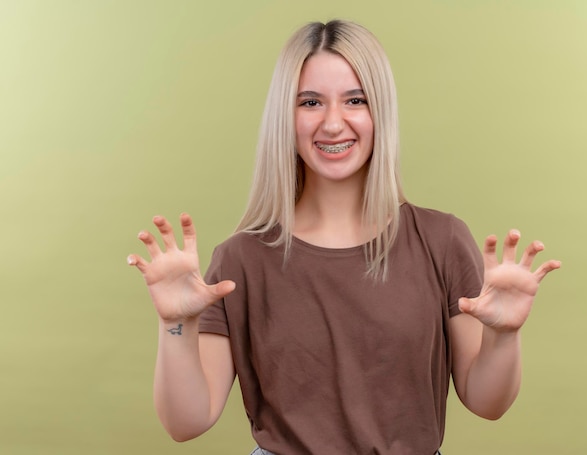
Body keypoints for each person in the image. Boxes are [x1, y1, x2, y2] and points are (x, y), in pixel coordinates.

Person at [127, 20, 560, 455]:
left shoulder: (441, 240)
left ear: (380, 112)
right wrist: (175, 325)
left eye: (355, 100)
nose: (333, 123)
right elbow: (186, 422)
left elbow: (487, 403)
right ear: (286, 115)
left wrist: (503, 335)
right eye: (310, 102)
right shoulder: (241, 259)